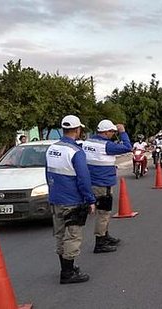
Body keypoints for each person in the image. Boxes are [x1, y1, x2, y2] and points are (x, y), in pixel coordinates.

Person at [46, 115, 96, 284]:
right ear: (77, 130)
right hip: (72, 201)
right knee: (73, 236)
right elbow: (84, 179)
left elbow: (48, 174)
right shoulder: (76, 152)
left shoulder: (52, 148)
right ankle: (68, 273)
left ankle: (65, 267)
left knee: (60, 235)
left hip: (56, 199)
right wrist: (90, 200)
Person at [82, 119, 132, 254]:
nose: (112, 134)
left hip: (92, 182)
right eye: (111, 132)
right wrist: (122, 132)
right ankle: (100, 242)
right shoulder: (106, 146)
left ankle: (105, 235)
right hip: (103, 183)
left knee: (104, 212)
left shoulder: (87, 142)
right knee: (103, 213)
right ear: (105, 132)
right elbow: (128, 147)